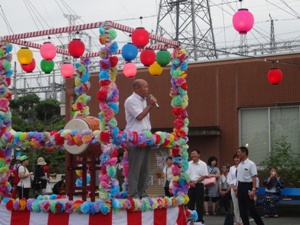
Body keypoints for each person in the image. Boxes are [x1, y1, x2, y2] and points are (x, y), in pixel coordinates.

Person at [124, 79, 158, 198]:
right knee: (135, 168)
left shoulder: (143, 100)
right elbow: (139, 116)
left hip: (145, 137)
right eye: (145, 87)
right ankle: (133, 194)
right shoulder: (130, 100)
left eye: (147, 87)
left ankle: (142, 193)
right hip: (135, 138)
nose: (147, 90)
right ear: (137, 88)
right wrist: (151, 105)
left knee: (145, 169)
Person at [237, 146, 264, 225]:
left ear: (244, 153)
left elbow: (254, 177)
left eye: (239, 152)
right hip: (240, 186)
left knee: (251, 208)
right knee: (242, 209)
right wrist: (237, 190)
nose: (238, 154)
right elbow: (239, 178)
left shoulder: (251, 164)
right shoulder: (240, 164)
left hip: (248, 186)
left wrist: (253, 190)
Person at [186, 149, 208, 225]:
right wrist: (190, 183)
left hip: (199, 185)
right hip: (190, 185)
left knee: (199, 203)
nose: (193, 155)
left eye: (194, 154)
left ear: (199, 155)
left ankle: (199, 220)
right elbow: (185, 175)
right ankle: (190, 220)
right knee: (190, 203)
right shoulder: (188, 164)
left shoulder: (203, 164)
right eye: (192, 154)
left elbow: (205, 175)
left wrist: (195, 182)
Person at [228, 153, 243, 225]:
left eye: (237, 158)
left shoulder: (242, 166)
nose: (236, 159)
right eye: (235, 158)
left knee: (242, 204)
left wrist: (238, 187)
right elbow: (230, 178)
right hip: (233, 188)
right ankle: (238, 220)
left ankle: (243, 220)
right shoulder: (231, 168)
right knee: (235, 205)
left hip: (241, 187)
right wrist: (233, 187)